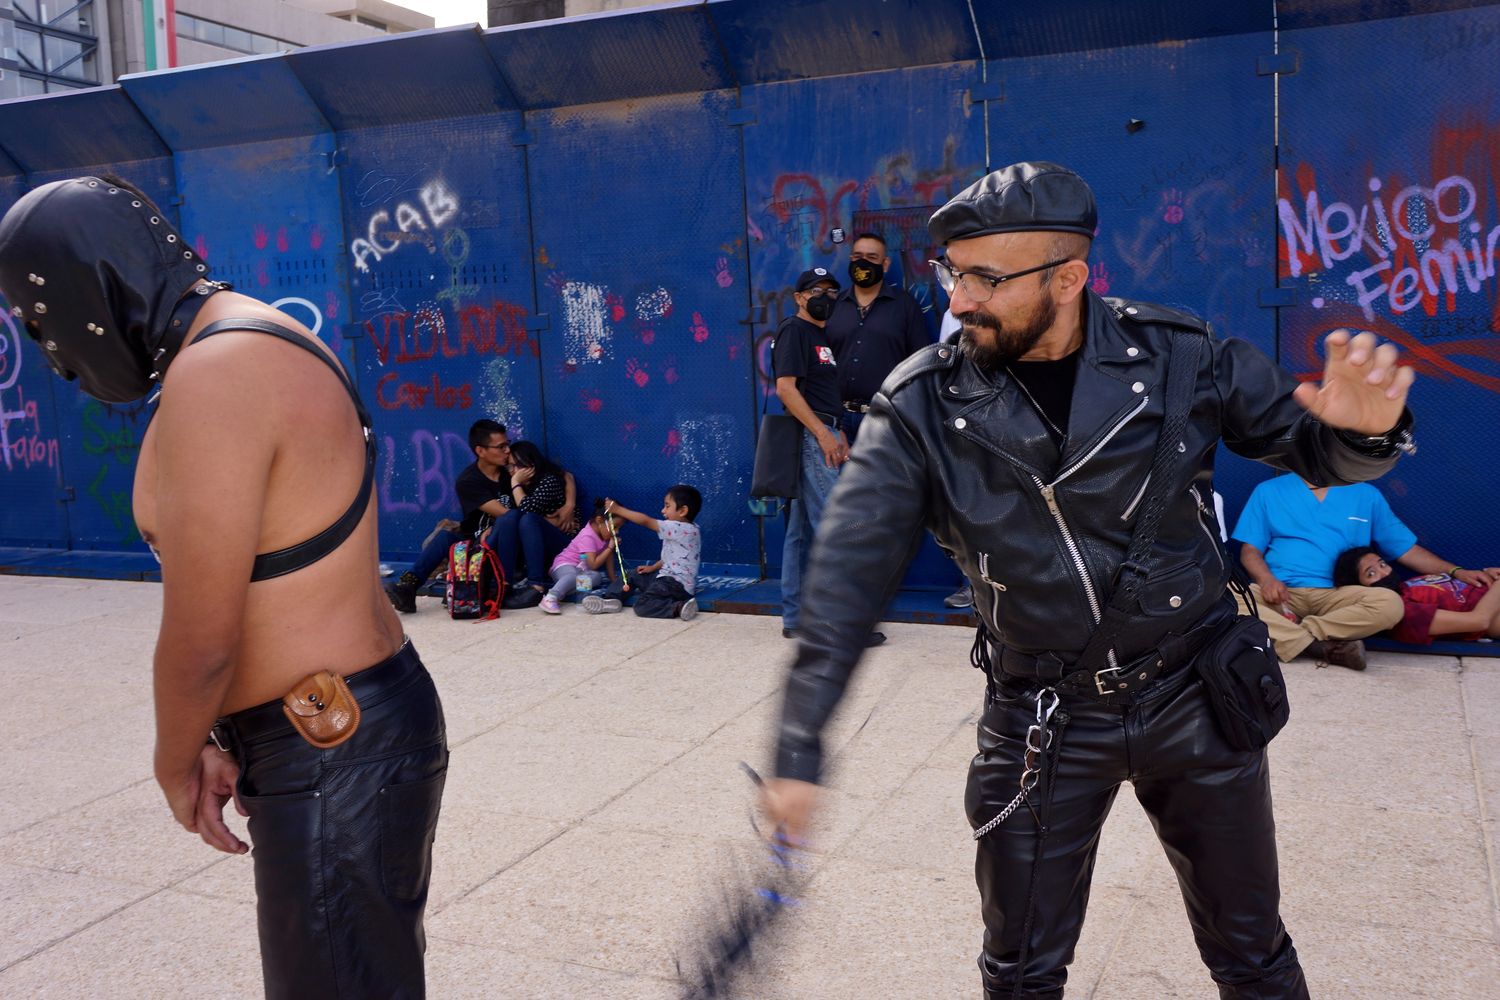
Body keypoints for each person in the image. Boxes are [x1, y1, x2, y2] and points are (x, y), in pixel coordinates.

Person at [759, 161, 1417, 1000]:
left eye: (985, 278)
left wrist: (1371, 433)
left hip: (1196, 695)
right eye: (951, 273)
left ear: (1069, 278)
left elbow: (1314, 443)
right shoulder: (921, 402)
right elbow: (846, 577)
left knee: (1253, 953)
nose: (959, 300)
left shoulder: (1183, 355)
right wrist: (798, 744)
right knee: (1022, 970)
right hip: (1042, 719)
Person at [0, 177, 448, 998]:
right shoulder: (255, 338)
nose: (48, 346)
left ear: (88, 288)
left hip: (329, 744)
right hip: (344, 734)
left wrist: (177, 761)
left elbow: (202, 637)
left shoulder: (220, 369)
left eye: (39, 318)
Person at [1231, 474, 1467, 670]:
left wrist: (1455, 571)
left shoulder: (1365, 494)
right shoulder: (1269, 491)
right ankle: (1319, 647)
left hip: (1338, 597)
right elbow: (1250, 551)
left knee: (1390, 604)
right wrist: (1266, 579)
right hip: (1280, 595)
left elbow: (1406, 550)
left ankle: (1297, 636)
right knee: (1225, 596)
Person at [772, 266, 885, 646]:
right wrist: (821, 433)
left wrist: (836, 430)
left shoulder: (818, 336)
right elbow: (786, 389)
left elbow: (819, 391)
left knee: (801, 531)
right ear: (799, 297)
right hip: (812, 436)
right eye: (816, 290)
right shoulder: (793, 330)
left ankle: (797, 617)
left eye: (832, 291)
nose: (826, 296)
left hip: (824, 431)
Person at [384, 418, 512, 613]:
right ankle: (407, 586)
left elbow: (556, 476)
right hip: (476, 541)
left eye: (507, 445)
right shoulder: (469, 481)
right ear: (480, 451)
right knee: (444, 538)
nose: (507, 451)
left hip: (507, 539)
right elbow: (504, 513)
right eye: (501, 447)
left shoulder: (511, 472)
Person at [825, 232, 932, 441]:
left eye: (872, 257)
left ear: (885, 264)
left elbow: (921, 366)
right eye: (857, 256)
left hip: (886, 420)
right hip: (837, 421)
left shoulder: (905, 307)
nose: (863, 262)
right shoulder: (834, 306)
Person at [1333, 546, 1500, 644]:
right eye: (1371, 573)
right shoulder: (1403, 614)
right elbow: (1479, 621)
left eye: (1382, 564)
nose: (1384, 573)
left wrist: (1488, 575)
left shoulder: (1408, 586)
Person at [583, 485, 703, 619]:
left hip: (676, 586)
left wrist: (618, 510)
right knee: (632, 575)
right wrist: (653, 567)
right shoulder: (690, 529)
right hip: (667, 580)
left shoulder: (679, 528)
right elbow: (671, 558)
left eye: (667, 506)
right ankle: (611, 600)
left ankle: (679, 607)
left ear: (682, 511)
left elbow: (646, 521)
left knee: (642, 605)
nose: (663, 510)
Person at [489, 440, 575, 608]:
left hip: (564, 549)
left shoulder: (548, 481)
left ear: (529, 464)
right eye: (509, 467)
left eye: (516, 466)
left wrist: (515, 483)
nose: (512, 472)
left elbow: (527, 510)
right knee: (511, 518)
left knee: (527, 518)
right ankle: (505, 583)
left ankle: (536, 586)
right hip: (536, 552)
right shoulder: (521, 487)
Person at [539, 499, 619, 614]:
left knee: (596, 576)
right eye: (615, 527)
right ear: (600, 520)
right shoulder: (588, 536)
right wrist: (610, 548)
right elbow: (593, 564)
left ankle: (575, 594)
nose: (617, 532)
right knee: (573, 576)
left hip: (580, 573)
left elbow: (608, 557)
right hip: (563, 566)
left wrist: (613, 579)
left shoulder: (605, 535)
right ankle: (551, 597)